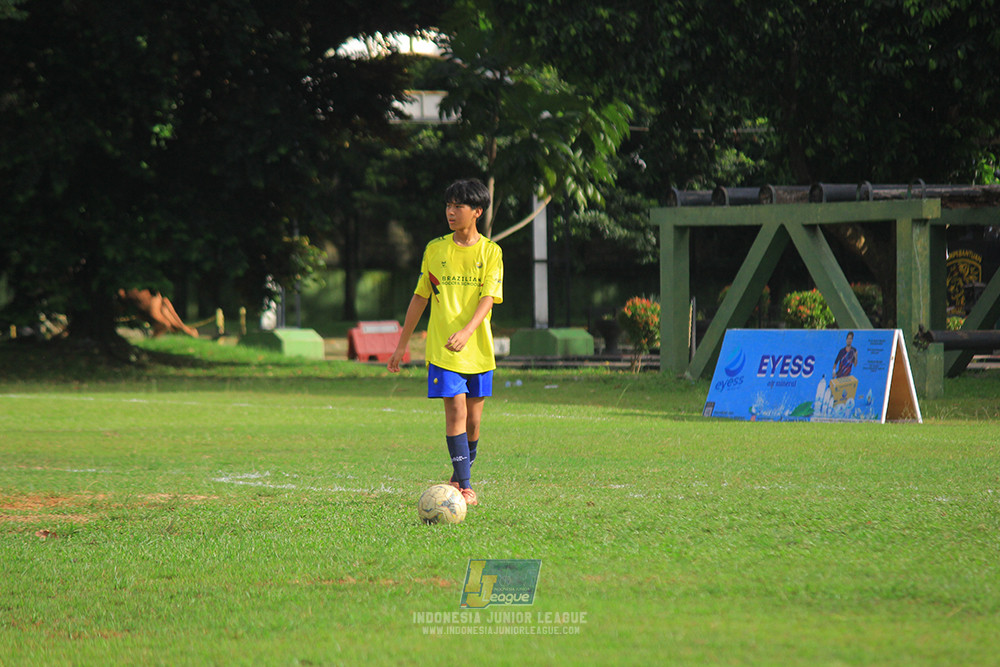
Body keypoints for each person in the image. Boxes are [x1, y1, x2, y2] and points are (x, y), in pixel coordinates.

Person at [387, 179, 503, 507]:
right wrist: (401, 346)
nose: (451, 212)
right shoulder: (435, 250)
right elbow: (420, 298)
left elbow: (488, 299)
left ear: (477, 211)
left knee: (474, 421)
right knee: (455, 411)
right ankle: (465, 487)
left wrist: (467, 332)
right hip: (442, 350)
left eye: (459, 206)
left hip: (478, 349)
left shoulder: (491, 252)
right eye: (448, 205)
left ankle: (458, 475)